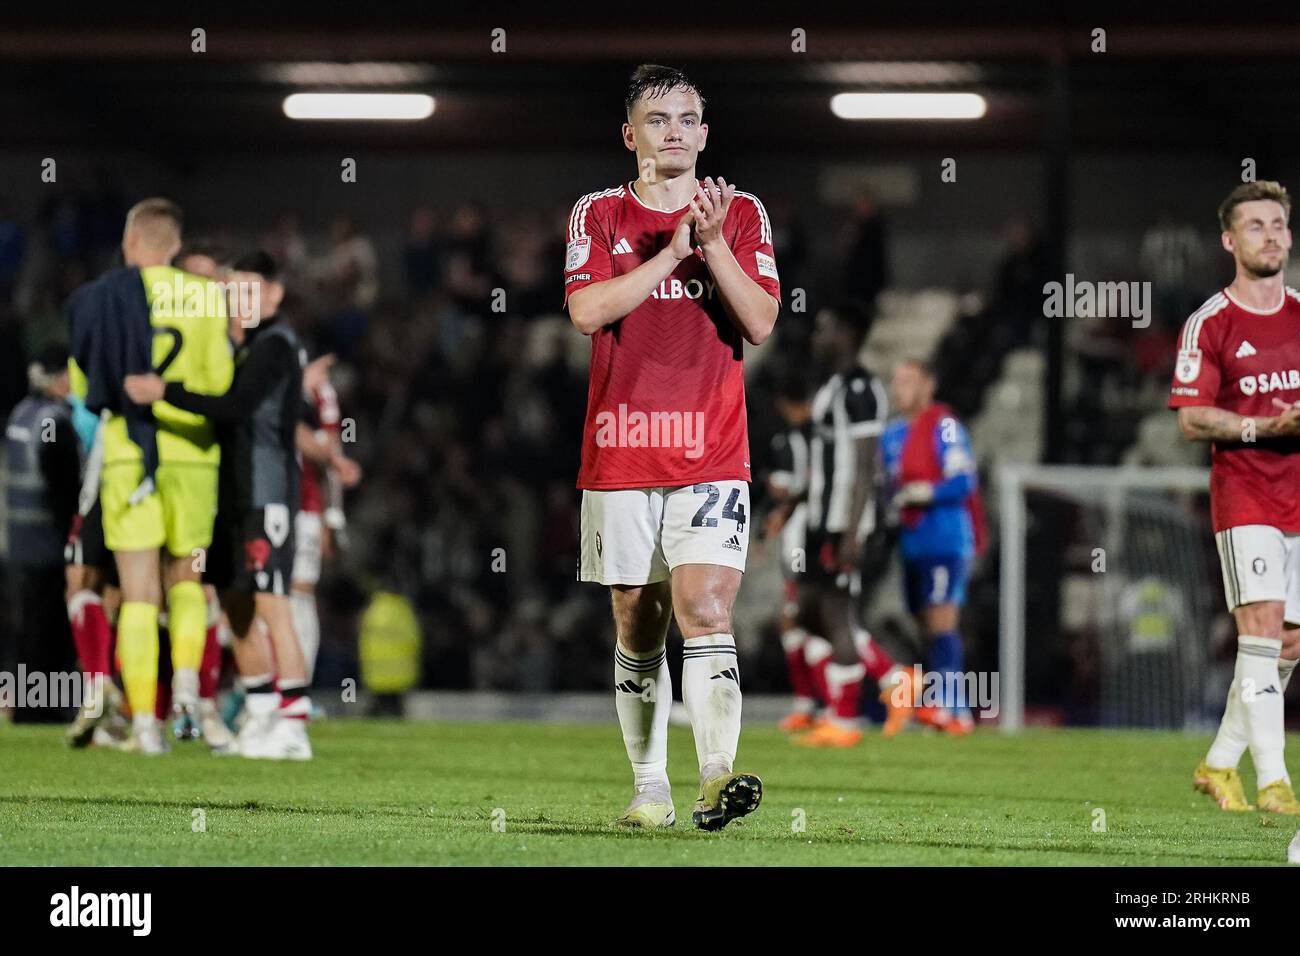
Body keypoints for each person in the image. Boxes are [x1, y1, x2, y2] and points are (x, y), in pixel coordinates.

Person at [564, 64, 778, 829]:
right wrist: (670, 253)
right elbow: (588, 312)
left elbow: (759, 321)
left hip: (712, 451)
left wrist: (712, 246)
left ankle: (716, 776)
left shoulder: (743, 213)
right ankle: (649, 787)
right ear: (630, 136)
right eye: (659, 120)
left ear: (706, 133)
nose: (676, 132)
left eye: (688, 119)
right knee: (637, 618)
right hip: (621, 451)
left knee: (706, 605)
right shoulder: (599, 213)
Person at [126, 250, 338, 760]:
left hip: (267, 493)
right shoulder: (246, 346)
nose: (237, 302)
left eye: (248, 290)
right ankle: (262, 710)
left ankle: (293, 726)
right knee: (236, 606)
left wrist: (165, 391)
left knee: (273, 604)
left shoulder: (276, 345)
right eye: (231, 291)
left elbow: (235, 407)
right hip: (236, 494)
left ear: (274, 293)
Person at [69, 198, 233, 754]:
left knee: (137, 593)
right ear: (176, 246)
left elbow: (83, 381)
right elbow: (219, 387)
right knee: (187, 581)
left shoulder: (102, 296)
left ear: (132, 241)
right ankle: (188, 692)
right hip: (193, 457)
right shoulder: (210, 296)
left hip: (128, 458)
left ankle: (145, 726)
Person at [1170, 180, 1300, 814]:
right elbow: (1193, 418)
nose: (1271, 234)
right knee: (1263, 631)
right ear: (1229, 241)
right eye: (1256, 226)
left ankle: (1220, 763)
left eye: (1279, 224)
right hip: (1246, 493)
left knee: (1290, 643)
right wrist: (1263, 428)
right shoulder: (1210, 323)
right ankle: (1276, 781)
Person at [791, 308, 914, 748]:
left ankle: (844, 722)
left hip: (846, 520)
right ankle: (894, 677)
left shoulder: (861, 388)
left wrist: (853, 531)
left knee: (837, 614)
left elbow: (865, 465)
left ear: (848, 332)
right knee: (806, 612)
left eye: (827, 326)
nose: (818, 334)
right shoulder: (837, 384)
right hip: (824, 519)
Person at [880, 359, 984, 736]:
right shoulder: (891, 434)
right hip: (912, 542)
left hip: (945, 538)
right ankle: (941, 704)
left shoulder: (945, 426)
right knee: (925, 624)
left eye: (908, 380)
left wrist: (927, 491)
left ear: (928, 385)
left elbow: (964, 481)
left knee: (942, 621)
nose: (899, 388)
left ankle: (955, 709)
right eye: (896, 381)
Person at [3, 345, 81, 723]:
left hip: (19, 543)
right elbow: (60, 477)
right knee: (50, 631)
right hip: (48, 543)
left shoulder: (20, 414)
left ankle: (27, 705)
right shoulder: (51, 421)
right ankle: (48, 709)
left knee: (28, 630)